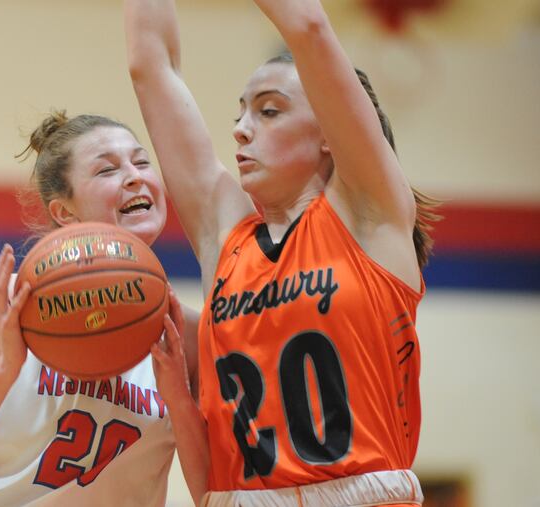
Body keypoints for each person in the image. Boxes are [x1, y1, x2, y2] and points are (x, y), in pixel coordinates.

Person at [125, 0, 439, 506]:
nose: (241, 129)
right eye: (241, 113)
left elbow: (308, 25)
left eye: (268, 110)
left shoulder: (368, 216)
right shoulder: (225, 236)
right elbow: (151, 66)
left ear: (329, 136)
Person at [0, 111, 199, 507]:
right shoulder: (4, 304)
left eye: (141, 162)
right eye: (107, 170)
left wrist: (179, 402)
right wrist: (4, 371)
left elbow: (211, 489)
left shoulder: (186, 332)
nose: (134, 175)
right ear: (64, 212)